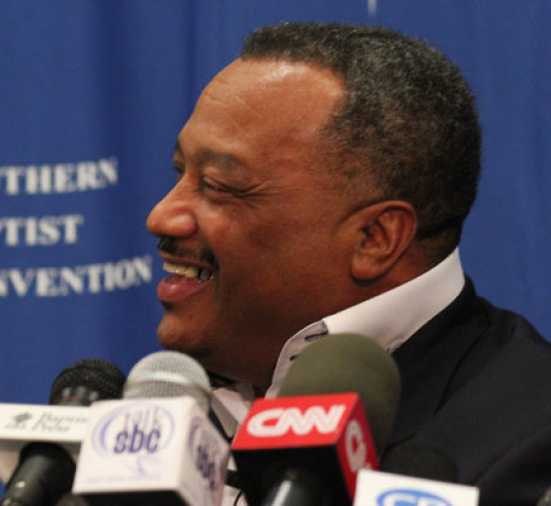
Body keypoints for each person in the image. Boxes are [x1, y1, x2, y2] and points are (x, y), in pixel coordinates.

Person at [146, 22, 551, 505]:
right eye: (180, 173)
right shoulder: (156, 408)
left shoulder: (530, 445)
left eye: (218, 185)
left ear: (374, 239)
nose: (161, 217)